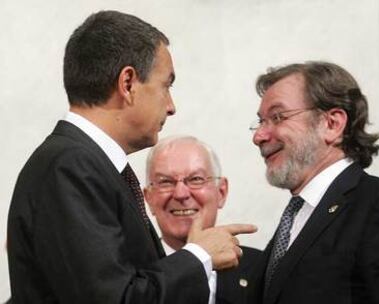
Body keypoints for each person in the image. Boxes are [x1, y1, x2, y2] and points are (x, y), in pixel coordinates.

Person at [7, 10, 256, 304]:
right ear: (128, 83)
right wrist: (199, 255)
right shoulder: (71, 166)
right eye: (166, 85)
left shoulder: (87, 164)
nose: (172, 106)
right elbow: (115, 298)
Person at [247, 61, 379, 304]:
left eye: (277, 117)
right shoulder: (295, 216)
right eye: (260, 121)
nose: (259, 136)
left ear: (332, 124)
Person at [144, 136, 261, 304]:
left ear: (221, 192)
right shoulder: (129, 276)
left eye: (196, 179)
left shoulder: (261, 270)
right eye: (165, 182)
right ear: (149, 199)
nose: (181, 194)